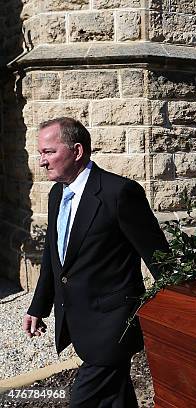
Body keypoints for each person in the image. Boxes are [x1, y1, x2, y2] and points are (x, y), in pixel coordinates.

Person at [23, 117, 169, 407]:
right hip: (80, 322)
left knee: (83, 401)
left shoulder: (119, 193)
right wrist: (39, 306)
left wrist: (182, 307)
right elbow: (56, 258)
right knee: (116, 399)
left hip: (113, 327)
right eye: (41, 153)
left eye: (49, 152)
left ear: (77, 151)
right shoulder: (56, 194)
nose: (42, 162)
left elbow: (159, 257)